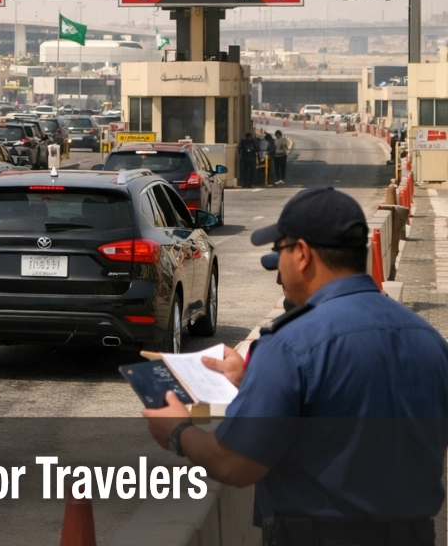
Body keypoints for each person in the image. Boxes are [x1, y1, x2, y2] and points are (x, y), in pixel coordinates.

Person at [142, 188, 448, 546]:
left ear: (302, 254)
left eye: (280, 251)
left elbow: (235, 464)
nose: (278, 271)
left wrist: (178, 431)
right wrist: (256, 383)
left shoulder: (291, 345)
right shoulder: (429, 340)